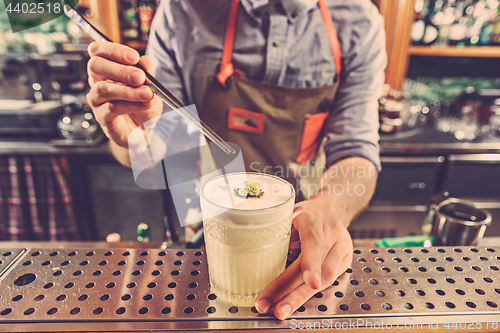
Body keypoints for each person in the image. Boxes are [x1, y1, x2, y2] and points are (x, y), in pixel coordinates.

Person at [86, 0, 386, 320]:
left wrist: (329, 207)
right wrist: (140, 142)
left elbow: (356, 148)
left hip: (300, 238)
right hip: (206, 234)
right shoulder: (183, 10)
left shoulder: (359, 21)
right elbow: (166, 145)